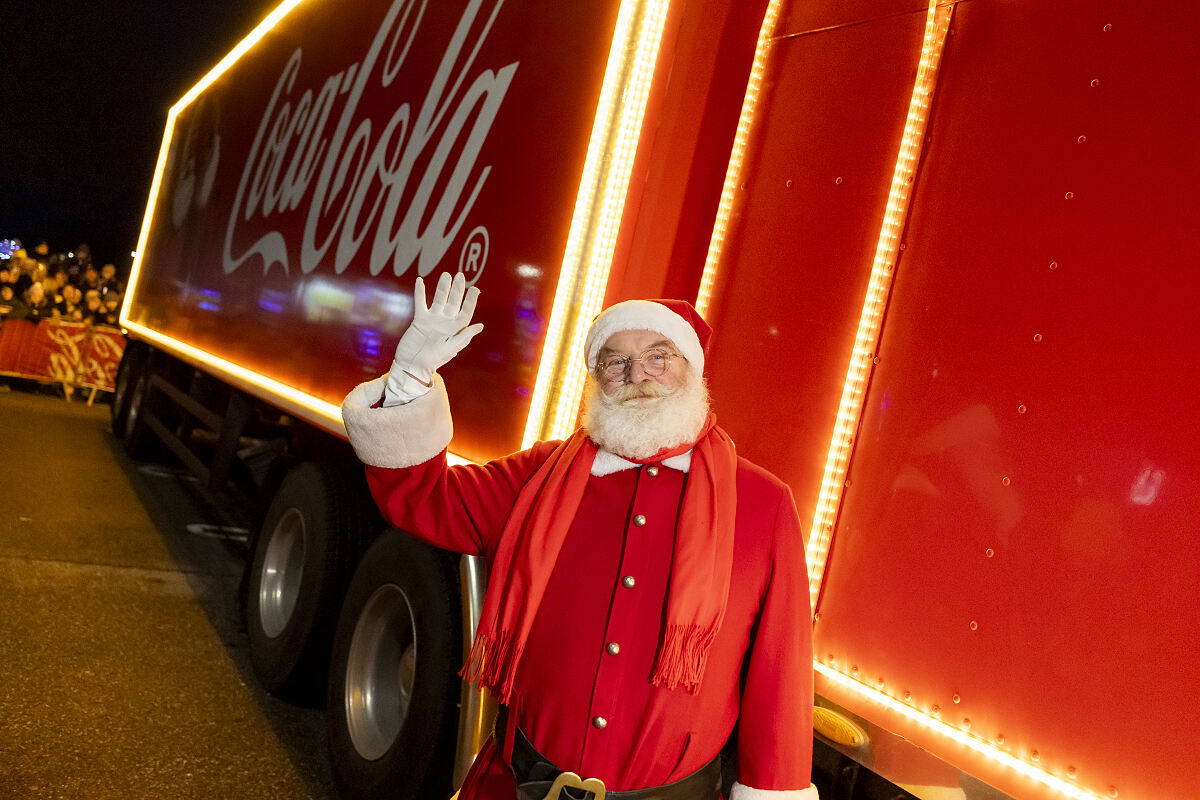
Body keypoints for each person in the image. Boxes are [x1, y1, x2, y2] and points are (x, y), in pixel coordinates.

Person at [342, 272, 818, 800]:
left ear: (693, 370)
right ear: (596, 380)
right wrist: (409, 381)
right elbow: (427, 501)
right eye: (615, 362)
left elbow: (781, 676)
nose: (637, 376)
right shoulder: (538, 476)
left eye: (658, 357)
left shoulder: (764, 504)